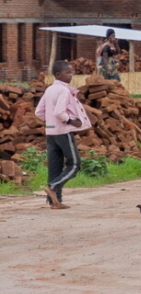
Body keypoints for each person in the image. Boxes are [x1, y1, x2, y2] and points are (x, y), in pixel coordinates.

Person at [34, 60, 92, 209]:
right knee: (75, 164)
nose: (71, 75)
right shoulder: (64, 90)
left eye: (72, 72)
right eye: (68, 72)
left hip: (51, 132)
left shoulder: (49, 90)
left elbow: (38, 112)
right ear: (58, 74)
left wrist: (52, 121)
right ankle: (53, 187)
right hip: (63, 132)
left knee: (55, 167)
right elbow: (60, 112)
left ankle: (55, 202)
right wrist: (71, 121)